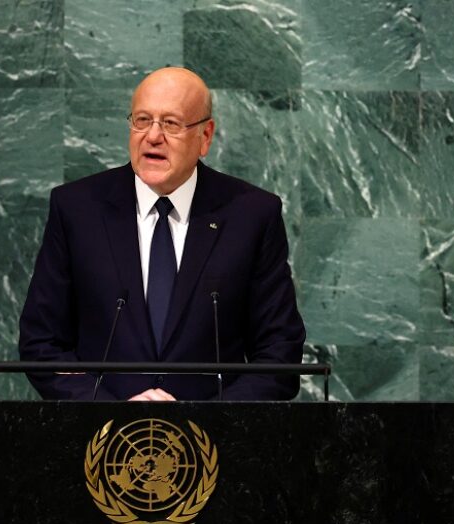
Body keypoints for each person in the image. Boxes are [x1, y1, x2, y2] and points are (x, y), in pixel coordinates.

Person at [18, 67, 305, 401]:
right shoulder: (77, 210)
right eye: (142, 120)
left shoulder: (251, 215)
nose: (152, 136)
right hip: (100, 441)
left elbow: (279, 354)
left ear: (206, 136)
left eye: (170, 123)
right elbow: (42, 342)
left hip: (215, 444)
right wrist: (106, 409)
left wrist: (204, 420)